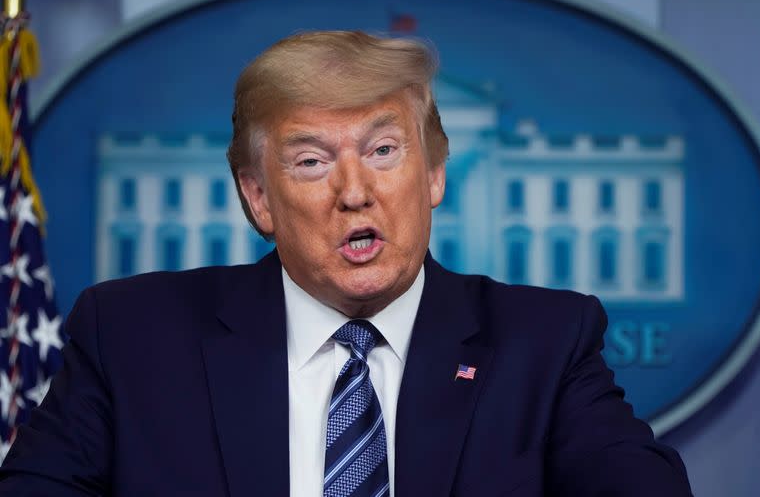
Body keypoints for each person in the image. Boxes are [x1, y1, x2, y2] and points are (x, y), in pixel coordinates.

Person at [0, 31, 692, 496]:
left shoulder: (544, 340)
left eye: (385, 151)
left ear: (434, 176)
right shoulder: (131, 335)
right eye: (311, 162)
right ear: (258, 197)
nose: (355, 191)